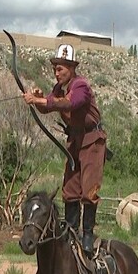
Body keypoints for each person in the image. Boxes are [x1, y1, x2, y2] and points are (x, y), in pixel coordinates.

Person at [22, 43, 107, 259]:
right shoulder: (59, 89)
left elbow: (69, 104)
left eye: (60, 69)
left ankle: (87, 235)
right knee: (70, 189)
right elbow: (49, 106)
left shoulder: (81, 86)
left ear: (71, 68)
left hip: (92, 140)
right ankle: (71, 231)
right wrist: (39, 100)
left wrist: (41, 100)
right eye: (55, 69)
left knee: (89, 190)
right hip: (75, 142)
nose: (56, 73)